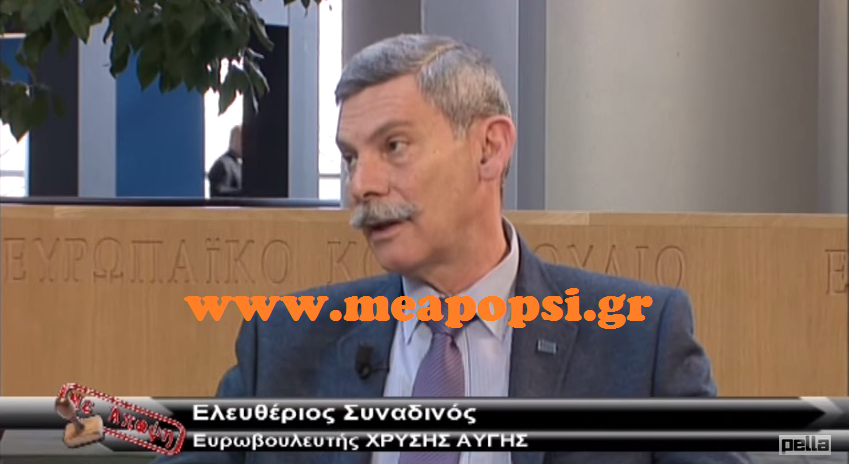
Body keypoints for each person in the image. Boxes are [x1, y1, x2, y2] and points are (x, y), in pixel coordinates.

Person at [155, 34, 750, 464]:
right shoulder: (285, 341)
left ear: (490, 149)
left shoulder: (639, 340)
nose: (362, 185)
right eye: (350, 158)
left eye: (394, 146)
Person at [208, 125, 243, 197]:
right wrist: (245, 193)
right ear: (234, 140)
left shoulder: (239, 165)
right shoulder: (222, 164)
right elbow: (219, 193)